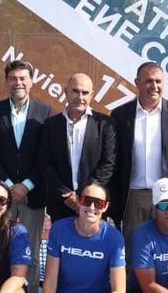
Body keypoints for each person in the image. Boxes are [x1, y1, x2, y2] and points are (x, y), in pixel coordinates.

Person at [0, 59, 52, 293]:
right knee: (0, 251)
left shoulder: (46, 112)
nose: (18, 82)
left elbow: (47, 156)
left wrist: (27, 186)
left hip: (33, 197)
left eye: (23, 78)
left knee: (29, 254)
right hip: (1, 197)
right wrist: (10, 186)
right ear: (6, 81)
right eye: (13, 78)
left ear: (31, 81)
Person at [110, 61, 168, 246]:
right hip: (133, 197)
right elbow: (113, 162)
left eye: (159, 81)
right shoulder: (120, 115)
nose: (154, 86)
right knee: (133, 255)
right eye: (149, 81)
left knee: (166, 253)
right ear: (137, 82)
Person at [39, 72, 117, 224]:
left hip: (93, 203)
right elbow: (45, 163)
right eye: (75, 91)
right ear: (65, 91)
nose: (80, 97)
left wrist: (83, 195)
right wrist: (66, 194)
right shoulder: (51, 125)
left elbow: (109, 163)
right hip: (61, 203)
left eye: (85, 93)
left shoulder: (105, 124)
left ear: (91, 95)